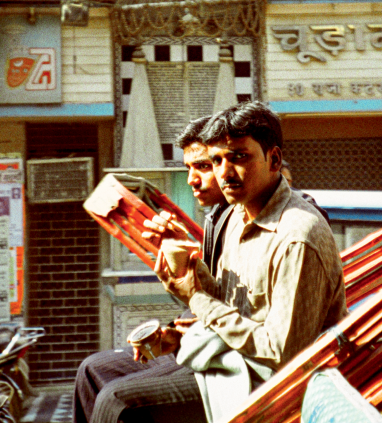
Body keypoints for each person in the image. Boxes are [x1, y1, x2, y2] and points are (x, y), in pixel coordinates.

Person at [156, 101, 346, 422]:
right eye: (216, 160)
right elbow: (227, 302)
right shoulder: (235, 214)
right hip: (230, 357)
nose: (225, 173)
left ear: (274, 159)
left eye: (239, 157)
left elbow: (280, 353)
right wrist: (188, 273)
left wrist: (197, 299)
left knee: (119, 402)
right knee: (97, 374)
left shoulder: (297, 235)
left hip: (269, 385)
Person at [73, 115, 231, 423]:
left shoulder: (272, 223)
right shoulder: (215, 218)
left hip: (225, 358)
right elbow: (211, 293)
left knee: (115, 399)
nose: (191, 180)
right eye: (188, 168)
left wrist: (193, 316)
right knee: (92, 369)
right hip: (204, 338)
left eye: (202, 166)